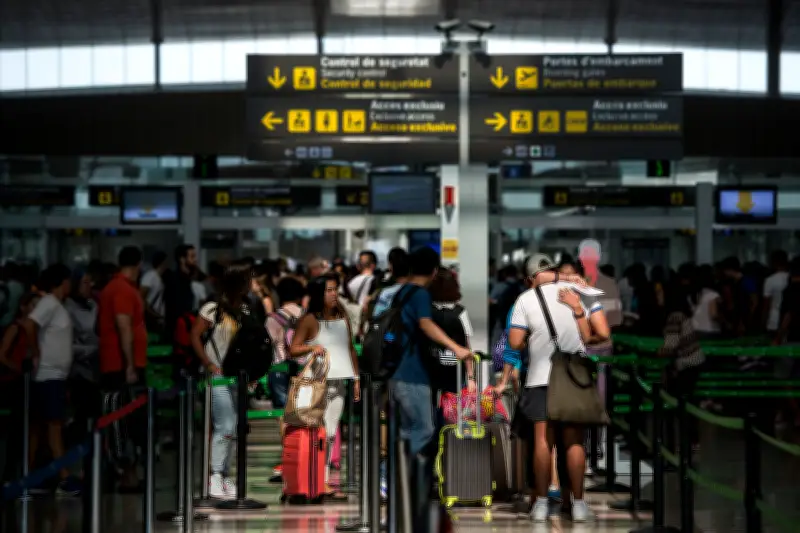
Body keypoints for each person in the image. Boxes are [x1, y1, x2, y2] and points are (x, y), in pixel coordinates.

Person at [380, 246, 471, 533]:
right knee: (422, 430)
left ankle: (398, 486)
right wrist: (456, 347)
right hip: (412, 375)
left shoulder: (400, 292)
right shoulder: (419, 294)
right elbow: (425, 323)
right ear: (433, 271)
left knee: (406, 433)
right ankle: (406, 486)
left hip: (396, 374)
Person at [503, 254, 599, 522]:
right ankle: (578, 505)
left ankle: (542, 503)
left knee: (543, 443)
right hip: (572, 378)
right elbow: (590, 333)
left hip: (540, 377)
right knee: (574, 443)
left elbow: (514, 342)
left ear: (530, 277)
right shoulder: (575, 293)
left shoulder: (525, 299)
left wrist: (530, 341)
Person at [290, 274, 360, 500]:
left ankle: (324, 479)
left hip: (339, 380)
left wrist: (356, 378)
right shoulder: (310, 319)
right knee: (314, 431)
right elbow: (294, 348)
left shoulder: (343, 317)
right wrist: (313, 348)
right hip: (316, 383)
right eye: (329, 290)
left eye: (335, 290)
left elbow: (349, 348)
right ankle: (313, 478)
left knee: (330, 432)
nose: (333, 294)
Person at [189, 262, 254, 499]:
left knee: (234, 427)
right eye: (247, 280)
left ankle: (224, 475)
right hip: (216, 375)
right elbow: (194, 335)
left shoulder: (245, 310)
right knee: (225, 425)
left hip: (236, 375)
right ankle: (215, 474)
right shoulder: (212, 309)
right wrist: (207, 363)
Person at [22, 264, 80, 495]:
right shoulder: (49, 303)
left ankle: (32, 474)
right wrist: (35, 352)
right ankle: (63, 477)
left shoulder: (57, 305)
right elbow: (29, 325)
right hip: (48, 374)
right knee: (54, 425)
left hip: (54, 375)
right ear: (62, 282)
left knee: (40, 427)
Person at [97, 246, 148, 492]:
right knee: (125, 422)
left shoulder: (116, 288)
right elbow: (124, 326)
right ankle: (126, 475)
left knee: (124, 421)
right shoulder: (122, 290)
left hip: (120, 364)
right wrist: (129, 365)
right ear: (138, 264)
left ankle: (126, 473)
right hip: (121, 366)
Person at [266, 276, 306, 483]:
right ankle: (303, 457)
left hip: (279, 369)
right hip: (302, 369)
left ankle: (288, 458)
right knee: (301, 413)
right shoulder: (307, 316)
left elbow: (268, 346)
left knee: (282, 414)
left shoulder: (273, 318)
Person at [427, 268, 475, 407]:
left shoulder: (427, 311)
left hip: (431, 366)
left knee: (430, 407)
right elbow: (466, 345)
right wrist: (471, 377)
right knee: (452, 410)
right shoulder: (460, 311)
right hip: (455, 368)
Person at [65, 267, 100, 447]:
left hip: (96, 370)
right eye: (86, 282)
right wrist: (91, 349)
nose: (90, 286)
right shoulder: (68, 309)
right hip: (79, 371)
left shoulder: (94, 305)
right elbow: (66, 345)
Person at [164, 244, 198, 341]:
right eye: (192, 256)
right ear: (182, 259)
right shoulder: (176, 280)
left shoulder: (185, 279)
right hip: (178, 331)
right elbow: (177, 308)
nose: (195, 260)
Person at [139, 251, 168, 332]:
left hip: (157, 318)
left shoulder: (160, 278)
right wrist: (152, 314)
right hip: (151, 318)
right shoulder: (150, 276)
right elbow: (141, 297)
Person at [690, 264, 722, 336]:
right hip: (709, 329)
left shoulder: (692, 294)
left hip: (695, 328)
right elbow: (713, 314)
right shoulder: (711, 294)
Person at [763, 250, 790, 336]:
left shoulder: (770, 280)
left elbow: (766, 303)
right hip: (790, 322)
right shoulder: (791, 278)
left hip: (773, 320)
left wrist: (763, 320)